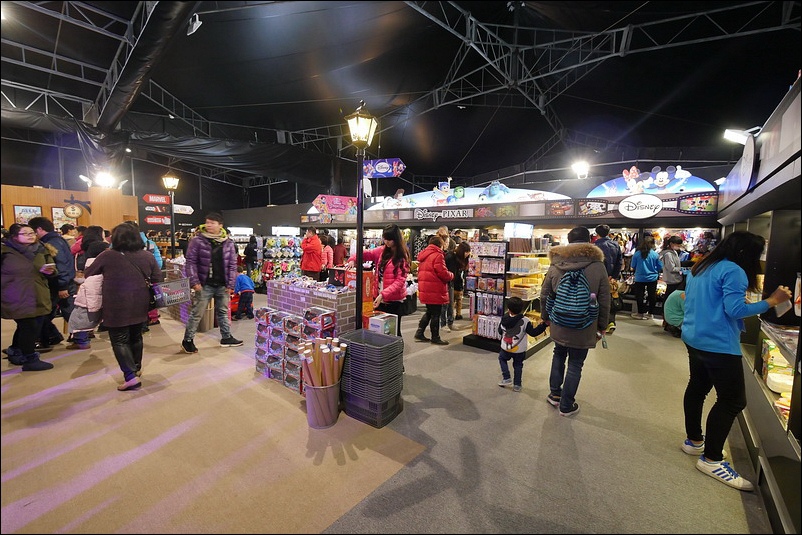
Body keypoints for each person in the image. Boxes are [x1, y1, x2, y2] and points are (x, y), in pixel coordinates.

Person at [680, 230, 791, 491]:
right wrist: (772, 301)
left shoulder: (703, 265)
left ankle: (694, 441)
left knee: (697, 387)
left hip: (695, 336)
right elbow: (736, 310)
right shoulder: (733, 270)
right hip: (718, 343)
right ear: (746, 253)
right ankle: (711, 459)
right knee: (732, 401)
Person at [540, 226, 610, 417]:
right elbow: (604, 298)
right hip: (585, 323)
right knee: (576, 363)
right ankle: (566, 405)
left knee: (558, 354)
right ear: (590, 241)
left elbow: (545, 293)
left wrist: (545, 317)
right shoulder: (598, 266)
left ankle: (555, 395)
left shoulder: (556, 263)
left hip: (559, 320)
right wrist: (603, 325)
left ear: (569, 241)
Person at [84, 223, 163, 390]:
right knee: (136, 336)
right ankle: (136, 368)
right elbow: (157, 277)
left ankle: (130, 376)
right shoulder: (147, 255)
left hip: (115, 304)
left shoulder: (108, 255)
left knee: (120, 339)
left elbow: (89, 273)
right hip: (141, 302)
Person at [181, 212, 242, 353]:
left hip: (222, 285)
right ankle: (187, 341)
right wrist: (194, 281)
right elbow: (190, 262)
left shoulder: (228, 242)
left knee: (222, 312)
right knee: (197, 313)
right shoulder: (197, 241)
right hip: (204, 284)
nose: (209, 225)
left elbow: (232, 265)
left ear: (220, 225)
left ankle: (226, 337)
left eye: (212, 223)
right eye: (207, 222)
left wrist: (231, 284)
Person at [1, 223, 58, 371]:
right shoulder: (5, 251)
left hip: (38, 293)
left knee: (30, 326)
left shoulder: (42, 249)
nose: (30, 236)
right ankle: (30, 359)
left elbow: (53, 268)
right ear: (14, 236)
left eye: (32, 233)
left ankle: (15, 351)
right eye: (25, 233)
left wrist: (51, 272)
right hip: (15, 294)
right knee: (30, 326)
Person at [346, 223, 411, 336]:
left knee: (393, 331)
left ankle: (396, 348)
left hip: (394, 301)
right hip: (379, 298)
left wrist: (383, 294)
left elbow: (399, 281)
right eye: (385, 239)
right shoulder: (382, 251)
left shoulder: (402, 256)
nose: (386, 242)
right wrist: (353, 259)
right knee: (379, 330)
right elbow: (366, 253)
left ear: (395, 239)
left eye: (389, 239)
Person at [28, 216, 76, 351]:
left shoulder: (52, 242)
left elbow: (61, 264)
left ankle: (79, 337)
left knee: (52, 312)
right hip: (61, 283)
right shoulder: (57, 239)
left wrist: (62, 285)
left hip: (59, 284)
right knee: (52, 312)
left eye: (31, 231)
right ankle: (53, 336)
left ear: (39, 229)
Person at [67, 225, 109, 349]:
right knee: (86, 313)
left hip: (83, 284)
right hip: (95, 287)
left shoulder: (81, 247)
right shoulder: (100, 249)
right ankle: (82, 339)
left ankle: (81, 338)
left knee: (82, 313)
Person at [497, 297, 548, 392]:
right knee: (518, 365)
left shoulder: (504, 318)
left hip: (505, 347)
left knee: (502, 359)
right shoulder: (525, 321)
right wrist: (543, 325)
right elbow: (533, 333)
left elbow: (500, 331)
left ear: (509, 309)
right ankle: (517, 385)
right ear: (521, 308)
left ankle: (506, 377)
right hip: (519, 350)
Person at [414, 235, 453, 345]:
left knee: (430, 312)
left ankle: (419, 332)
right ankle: (435, 337)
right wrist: (451, 275)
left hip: (426, 288)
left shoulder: (424, 255)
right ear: (440, 245)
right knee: (436, 314)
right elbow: (442, 273)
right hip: (435, 289)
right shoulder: (438, 255)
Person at [594, 224, 623, 333]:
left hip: (598, 277)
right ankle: (610, 322)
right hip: (610, 278)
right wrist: (613, 276)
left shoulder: (595, 246)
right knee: (610, 298)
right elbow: (619, 262)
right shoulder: (615, 245)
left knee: (596, 299)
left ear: (597, 233)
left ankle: (598, 324)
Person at [630, 234, 662, 320]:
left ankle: (640, 313)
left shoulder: (637, 254)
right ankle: (650, 313)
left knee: (639, 296)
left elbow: (633, 266)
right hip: (652, 278)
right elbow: (660, 266)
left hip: (639, 278)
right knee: (652, 296)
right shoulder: (655, 255)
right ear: (653, 244)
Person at [452, 241, 471, 320]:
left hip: (460, 283)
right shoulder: (453, 258)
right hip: (453, 283)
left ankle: (458, 314)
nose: (467, 254)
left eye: (468, 252)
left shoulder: (466, 260)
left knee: (459, 299)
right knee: (452, 300)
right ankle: (451, 315)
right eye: (466, 252)